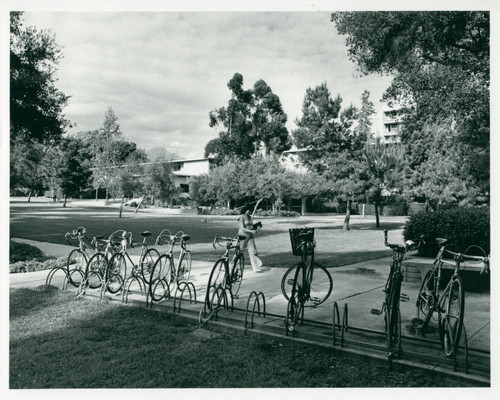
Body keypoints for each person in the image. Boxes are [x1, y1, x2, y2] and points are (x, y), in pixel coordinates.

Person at [238, 200, 265, 273]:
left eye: (251, 210)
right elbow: (242, 228)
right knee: (240, 251)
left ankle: (255, 267)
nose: (250, 211)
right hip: (243, 236)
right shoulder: (242, 218)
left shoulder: (250, 217)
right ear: (246, 210)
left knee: (253, 251)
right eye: (249, 210)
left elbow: (251, 227)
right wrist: (251, 231)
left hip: (250, 236)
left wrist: (257, 228)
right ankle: (232, 265)